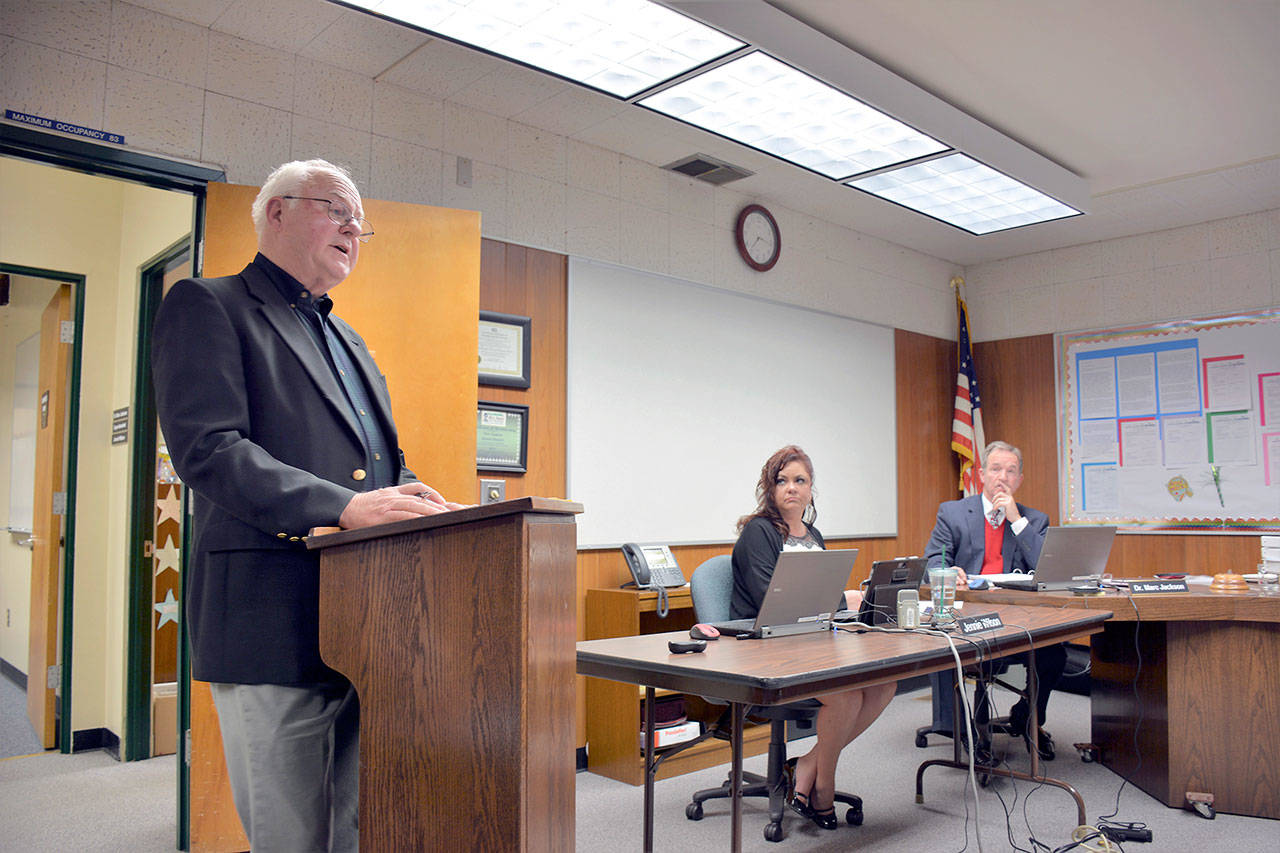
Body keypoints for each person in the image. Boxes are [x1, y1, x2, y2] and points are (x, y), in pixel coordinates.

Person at [152, 159, 465, 851]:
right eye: (336, 209)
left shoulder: (349, 338)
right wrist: (344, 506)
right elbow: (208, 449)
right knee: (292, 837)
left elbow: (374, 467)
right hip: (269, 620)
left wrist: (418, 496)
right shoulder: (208, 304)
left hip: (367, 626)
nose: (354, 228)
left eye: (361, 219)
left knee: (357, 826)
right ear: (277, 212)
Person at [731, 445, 895, 831]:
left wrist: (847, 601)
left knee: (885, 682)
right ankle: (824, 785)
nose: (792, 488)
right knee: (846, 692)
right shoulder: (758, 532)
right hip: (765, 647)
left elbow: (819, 595)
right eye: (782, 480)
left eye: (800, 480)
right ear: (769, 488)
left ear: (810, 488)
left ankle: (807, 764)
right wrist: (839, 600)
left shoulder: (813, 533)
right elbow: (770, 600)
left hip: (812, 640)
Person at [924, 440, 1065, 759]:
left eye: (1011, 471)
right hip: (970, 617)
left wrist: (1016, 519)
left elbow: (1046, 569)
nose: (1003, 477)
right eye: (996, 469)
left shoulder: (1034, 519)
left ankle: (1028, 715)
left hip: (1021, 619)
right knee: (952, 650)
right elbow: (933, 561)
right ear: (982, 474)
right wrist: (950, 570)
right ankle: (965, 731)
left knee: (1055, 655)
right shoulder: (953, 512)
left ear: (1019, 480)